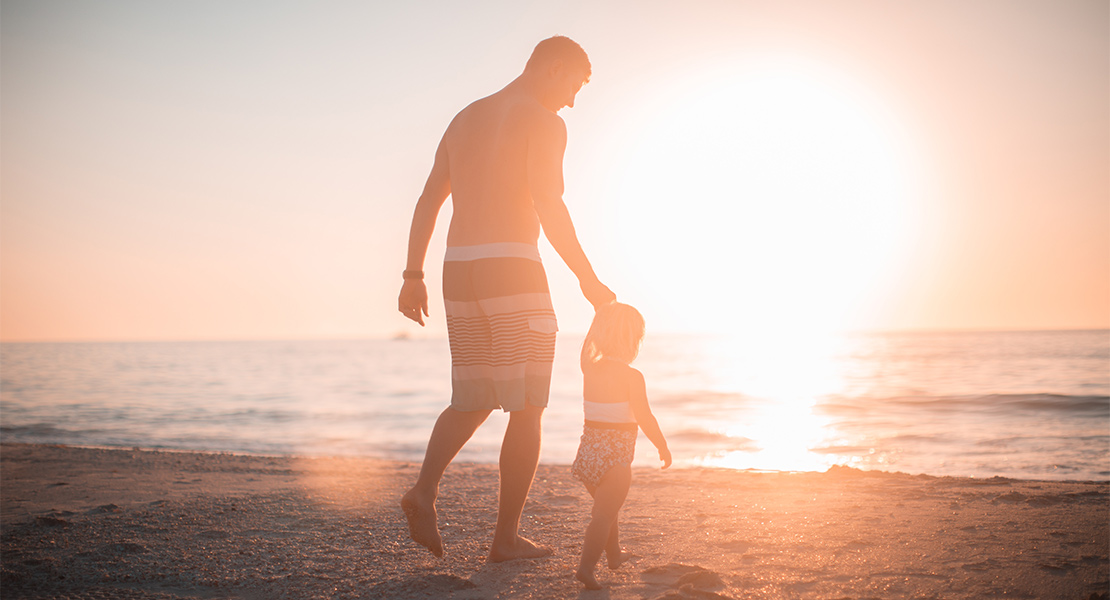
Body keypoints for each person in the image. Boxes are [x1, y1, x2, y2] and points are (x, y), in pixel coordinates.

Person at [397, 36, 616, 563]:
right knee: (527, 405)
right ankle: (505, 540)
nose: (571, 102)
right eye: (574, 86)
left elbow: (430, 197)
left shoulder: (465, 117)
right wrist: (588, 279)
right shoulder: (543, 121)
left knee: (472, 398)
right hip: (513, 267)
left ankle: (423, 490)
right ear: (554, 68)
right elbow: (549, 203)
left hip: (458, 269)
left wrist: (411, 274)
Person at [571, 302, 670, 589]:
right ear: (633, 341)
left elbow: (587, 344)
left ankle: (613, 555)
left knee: (606, 509)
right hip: (615, 459)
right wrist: (662, 446)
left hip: (588, 456)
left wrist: (598, 316)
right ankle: (586, 568)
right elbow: (645, 417)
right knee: (603, 515)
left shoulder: (590, 368)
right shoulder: (632, 377)